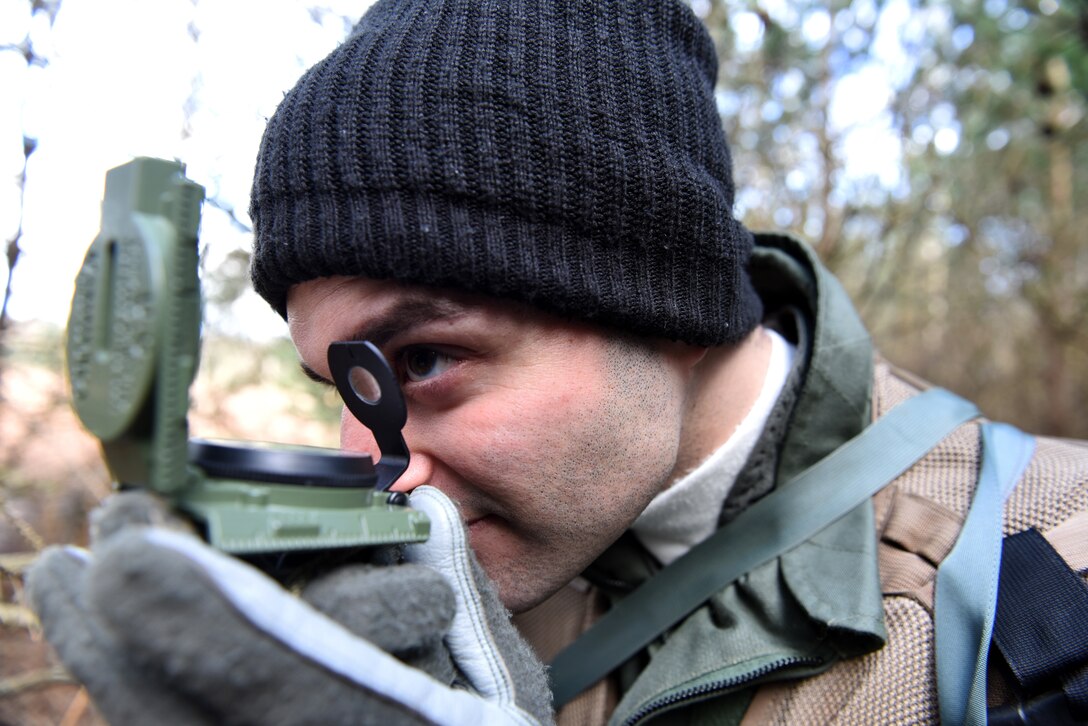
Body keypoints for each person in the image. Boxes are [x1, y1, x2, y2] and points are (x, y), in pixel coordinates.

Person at [29, 0, 1088, 724]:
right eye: (341, 389)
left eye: (428, 359)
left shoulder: (1050, 586)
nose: (377, 467)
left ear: (668, 304)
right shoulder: (412, 595)